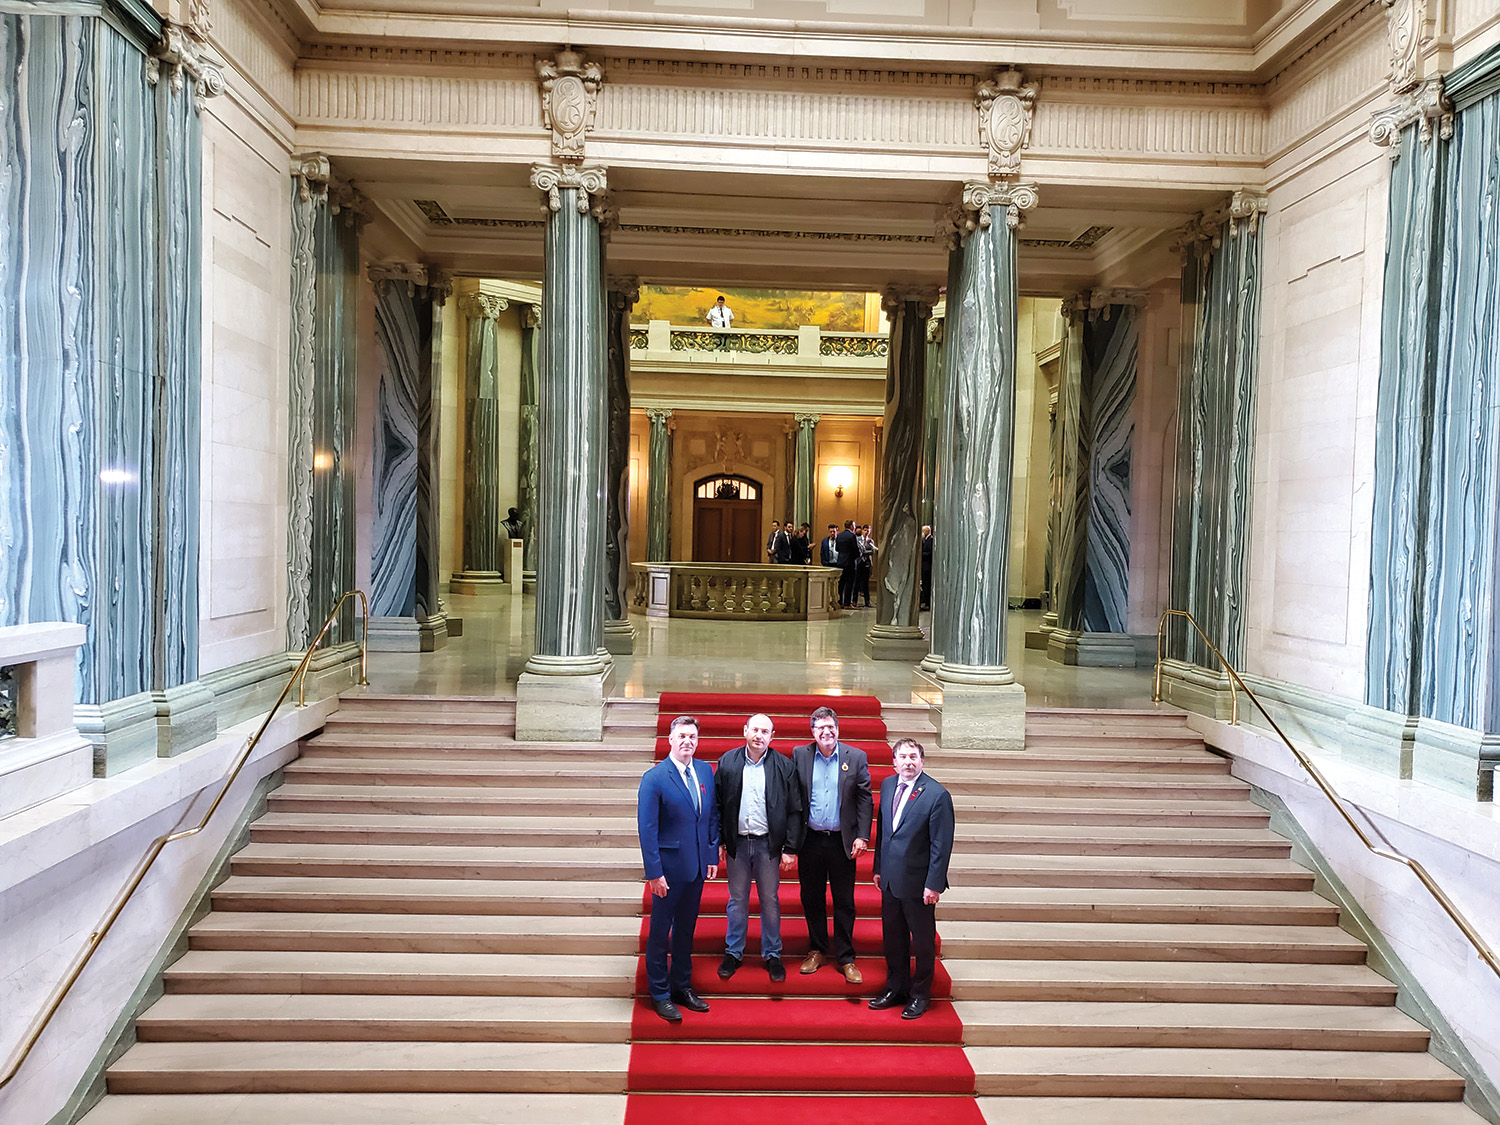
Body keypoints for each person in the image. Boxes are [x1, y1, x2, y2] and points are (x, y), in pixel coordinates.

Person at [638, 715, 720, 1022]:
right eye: (682, 736)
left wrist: (711, 855)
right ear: (670, 740)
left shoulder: (704, 770)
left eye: (693, 737)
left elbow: (710, 816)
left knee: (686, 931)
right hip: (668, 871)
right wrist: (654, 873)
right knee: (661, 932)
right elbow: (647, 829)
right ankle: (659, 993)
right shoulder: (655, 778)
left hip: (696, 867)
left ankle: (682, 986)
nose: (688, 741)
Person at [714, 713, 804, 983]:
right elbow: (717, 806)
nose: (759, 735)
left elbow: (794, 810)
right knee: (737, 900)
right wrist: (719, 840)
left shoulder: (784, 766)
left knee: (770, 900)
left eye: (765, 731)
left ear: (772, 737)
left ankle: (773, 953)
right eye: (755, 729)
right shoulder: (728, 762)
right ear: (745, 731)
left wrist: (790, 847)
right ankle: (733, 952)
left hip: (768, 845)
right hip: (738, 844)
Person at [870, 738, 954, 1021]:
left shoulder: (936, 794)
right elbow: (884, 832)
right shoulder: (888, 785)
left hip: (919, 885)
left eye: (913, 757)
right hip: (891, 881)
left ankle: (920, 995)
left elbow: (941, 845)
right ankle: (896, 988)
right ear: (894, 762)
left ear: (922, 761)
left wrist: (934, 883)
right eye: (903, 757)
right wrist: (878, 867)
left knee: (922, 942)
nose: (908, 762)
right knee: (893, 939)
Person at [792, 706, 872, 984]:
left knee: (844, 901)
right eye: (820, 728)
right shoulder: (799, 755)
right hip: (810, 840)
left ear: (838, 728)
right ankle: (817, 949)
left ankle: (846, 956)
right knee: (811, 897)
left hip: (842, 841)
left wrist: (863, 835)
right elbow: (793, 799)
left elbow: (864, 798)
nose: (826, 732)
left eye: (830, 727)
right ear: (812, 732)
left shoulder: (856, 757)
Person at [834, 520, 859, 607]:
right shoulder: (852, 536)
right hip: (850, 562)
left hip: (840, 561)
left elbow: (837, 548)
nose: (855, 527)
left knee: (841, 583)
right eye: (854, 525)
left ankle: (839, 601)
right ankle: (847, 603)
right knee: (849, 583)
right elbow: (855, 550)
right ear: (851, 526)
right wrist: (857, 556)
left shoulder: (839, 535)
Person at [855, 524, 877, 608]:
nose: (867, 532)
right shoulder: (857, 539)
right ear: (862, 530)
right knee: (856, 583)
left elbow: (872, 551)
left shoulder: (870, 541)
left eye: (868, 530)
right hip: (859, 562)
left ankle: (867, 602)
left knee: (866, 584)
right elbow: (859, 550)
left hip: (867, 563)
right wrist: (865, 552)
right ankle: (854, 601)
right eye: (865, 530)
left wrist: (865, 552)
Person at [920, 525, 934, 611]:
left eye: (923, 531)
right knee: (924, 585)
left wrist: (920, 554)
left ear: (927, 531)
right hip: (924, 566)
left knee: (927, 585)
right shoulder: (925, 540)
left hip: (927, 566)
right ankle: (924, 601)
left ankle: (927, 603)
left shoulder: (931, 540)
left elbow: (929, 553)